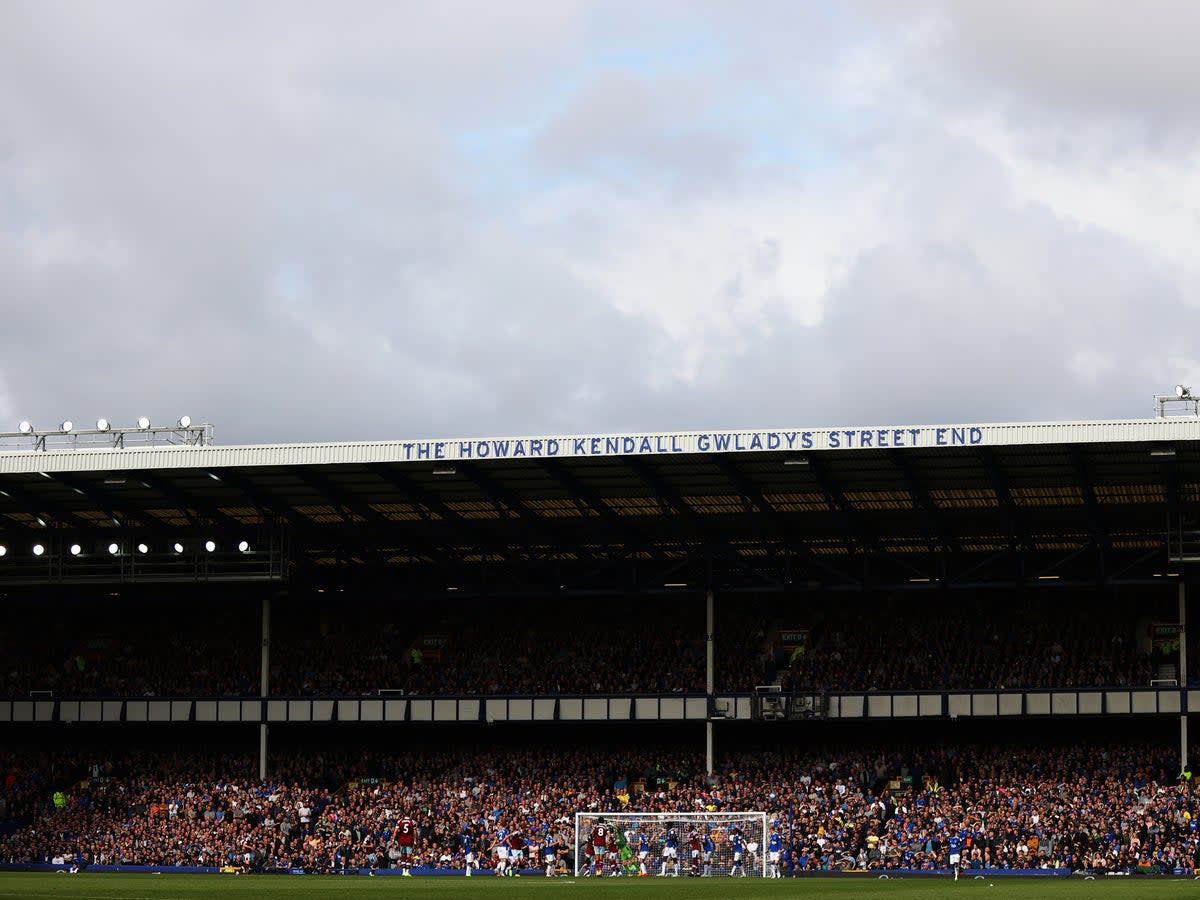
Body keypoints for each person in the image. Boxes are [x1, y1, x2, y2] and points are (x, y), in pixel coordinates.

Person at [394, 812, 417, 876]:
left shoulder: (399, 821)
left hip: (402, 840)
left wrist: (393, 839)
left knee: (403, 855)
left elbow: (395, 831)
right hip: (409, 840)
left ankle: (403, 871)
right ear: (409, 814)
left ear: (404, 814)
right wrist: (415, 840)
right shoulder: (412, 822)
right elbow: (415, 833)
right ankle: (407, 871)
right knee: (409, 856)